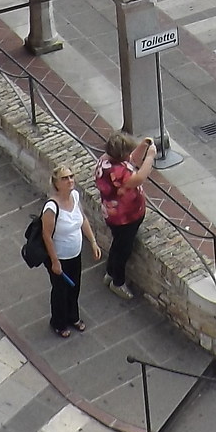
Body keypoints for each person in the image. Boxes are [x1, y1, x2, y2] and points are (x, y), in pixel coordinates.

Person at [95, 132, 156, 300]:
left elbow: (131, 159)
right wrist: (150, 156)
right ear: (121, 155)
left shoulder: (106, 161)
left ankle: (110, 272)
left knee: (117, 244)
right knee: (123, 250)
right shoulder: (119, 172)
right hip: (125, 218)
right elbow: (140, 177)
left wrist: (143, 145)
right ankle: (118, 282)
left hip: (113, 215)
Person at [40, 165, 97, 337]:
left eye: (71, 176)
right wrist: (55, 262)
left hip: (75, 254)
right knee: (60, 291)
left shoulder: (75, 196)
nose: (70, 180)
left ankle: (73, 316)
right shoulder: (51, 208)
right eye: (65, 178)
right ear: (56, 183)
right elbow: (46, 235)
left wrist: (93, 242)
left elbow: (83, 219)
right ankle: (59, 323)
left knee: (75, 287)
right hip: (59, 257)